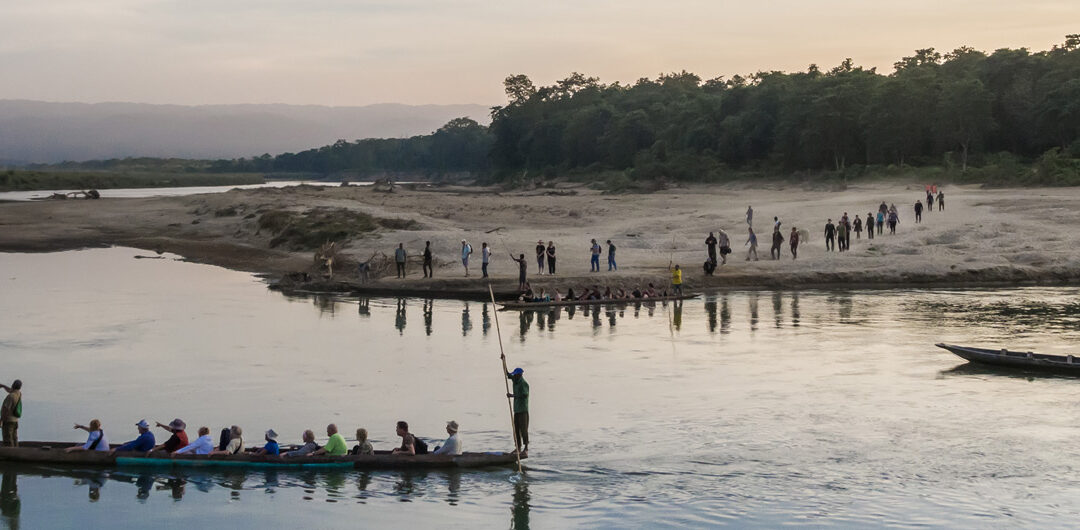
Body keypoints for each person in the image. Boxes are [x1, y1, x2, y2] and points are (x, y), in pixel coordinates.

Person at [504, 365, 530, 456]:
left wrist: (512, 396)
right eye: (513, 375)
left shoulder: (524, 384)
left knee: (523, 430)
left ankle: (526, 448)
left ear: (519, 375)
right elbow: (507, 374)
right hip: (516, 410)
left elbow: (524, 395)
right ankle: (518, 448)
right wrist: (504, 360)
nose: (513, 376)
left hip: (523, 411)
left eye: (515, 375)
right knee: (516, 430)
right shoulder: (515, 380)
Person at [0, 380, 22, 447]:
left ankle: (10, 455)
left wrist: (1, 420)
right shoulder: (18, 393)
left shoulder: (10, 396)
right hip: (15, 421)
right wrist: (3, 386)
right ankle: (17, 453)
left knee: (8, 440)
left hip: (8, 421)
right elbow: (10, 390)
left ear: (13, 385)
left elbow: (5, 410)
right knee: (14, 438)